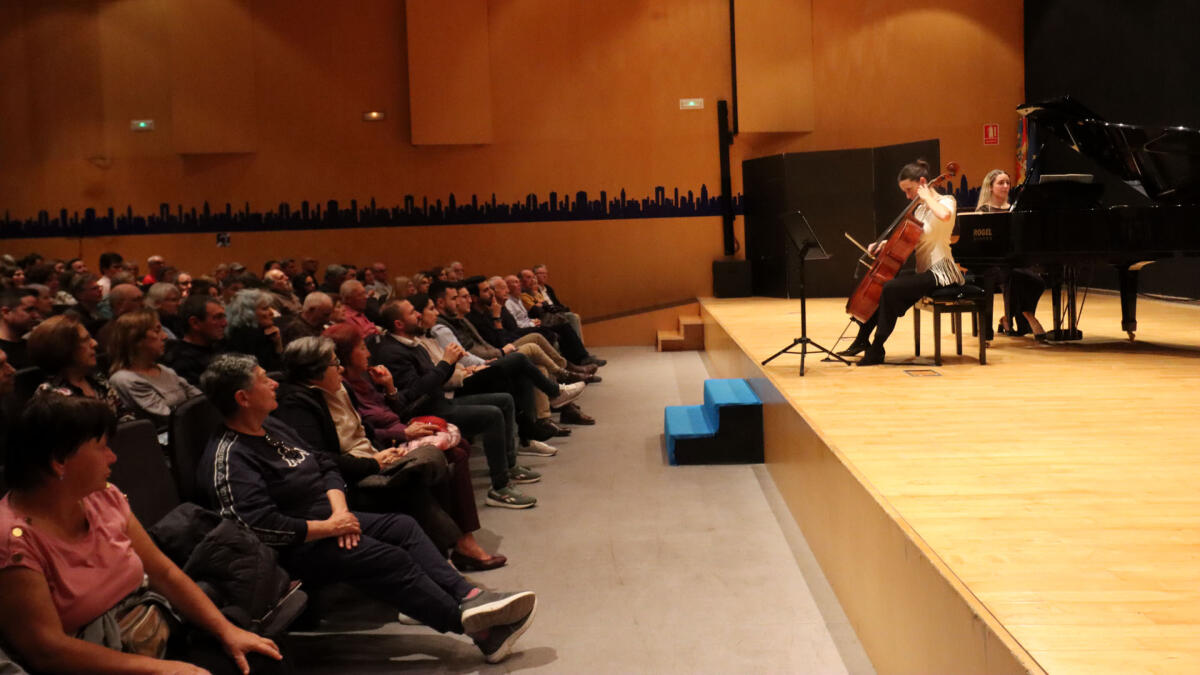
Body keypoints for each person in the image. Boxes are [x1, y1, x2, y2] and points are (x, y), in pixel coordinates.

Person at [196, 355, 537, 663]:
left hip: (329, 517)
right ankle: (480, 630)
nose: (274, 383)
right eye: (262, 379)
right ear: (242, 398)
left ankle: (470, 595)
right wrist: (332, 527)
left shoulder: (271, 426)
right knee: (389, 558)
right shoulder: (229, 458)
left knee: (401, 526)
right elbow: (258, 527)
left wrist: (339, 513)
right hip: (293, 546)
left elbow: (323, 465)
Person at [0, 394, 284, 674]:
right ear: (58, 461)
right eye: (101, 447)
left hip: (149, 630)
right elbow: (48, 652)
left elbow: (163, 573)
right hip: (96, 661)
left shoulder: (103, 496)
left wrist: (227, 631)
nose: (112, 457)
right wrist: (162, 669)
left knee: (260, 656)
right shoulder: (12, 541)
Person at [276, 334, 506, 570]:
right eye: (335, 364)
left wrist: (390, 395)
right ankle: (453, 554)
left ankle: (457, 549)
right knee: (418, 479)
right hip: (353, 472)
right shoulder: (297, 404)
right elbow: (321, 457)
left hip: (380, 449)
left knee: (446, 456)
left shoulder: (343, 386)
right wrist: (378, 458)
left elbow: (371, 425)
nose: (341, 368)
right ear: (314, 371)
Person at [373, 298, 541, 509]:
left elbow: (437, 379)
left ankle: (509, 465)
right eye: (412, 312)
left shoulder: (414, 343)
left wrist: (452, 365)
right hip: (425, 415)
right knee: (492, 414)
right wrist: (446, 363)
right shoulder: (392, 352)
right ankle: (500, 487)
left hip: (441, 404)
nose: (418, 314)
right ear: (399, 324)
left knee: (504, 400)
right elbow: (414, 392)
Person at [842, 160, 965, 366]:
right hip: (925, 271)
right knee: (886, 283)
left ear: (923, 182)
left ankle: (877, 348)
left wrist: (927, 197)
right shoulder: (919, 211)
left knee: (891, 288)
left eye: (909, 190)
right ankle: (862, 340)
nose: (908, 196)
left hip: (942, 272)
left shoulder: (945, 201)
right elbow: (909, 239)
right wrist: (884, 244)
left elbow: (944, 217)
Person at [975, 169, 1046, 339]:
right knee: (1015, 276)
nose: (1006, 186)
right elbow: (980, 242)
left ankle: (1010, 317)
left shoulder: (1015, 209)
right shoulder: (983, 210)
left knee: (1039, 282)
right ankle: (1028, 316)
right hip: (993, 263)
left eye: (1007, 182)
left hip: (1015, 260)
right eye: (1001, 183)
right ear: (990, 187)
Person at [106, 309, 201, 433]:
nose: (165, 336)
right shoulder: (125, 379)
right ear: (136, 340)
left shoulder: (164, 370)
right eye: (157, 331)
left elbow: (200, 399)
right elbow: (167, 418)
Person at [28, 315, 116, 409]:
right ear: (63, 349)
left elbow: (126, 416)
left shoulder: (98, 380)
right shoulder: (50, 396)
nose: (94, 343)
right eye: (85, 340)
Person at [163, 295, 228, 387]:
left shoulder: (218, 346)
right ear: (195, 323)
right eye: (217, 317)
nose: (225, 323)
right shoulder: (181, 362)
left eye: (224, 317)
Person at [225, 289, 283, 372]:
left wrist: (278, 343)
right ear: (249, 313)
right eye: (265, 309)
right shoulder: (250, 336)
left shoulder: (262, 332)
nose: (271, 313)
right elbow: (274, 370)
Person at [0, 288, 41, 369]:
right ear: (6, 312)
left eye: (36, 310)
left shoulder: (32, 346)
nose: (36, 316)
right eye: (29, 310)